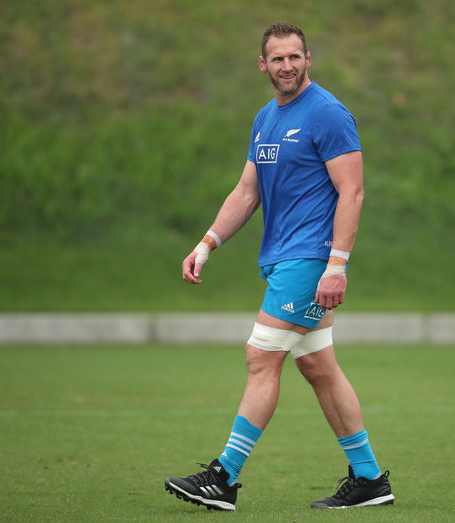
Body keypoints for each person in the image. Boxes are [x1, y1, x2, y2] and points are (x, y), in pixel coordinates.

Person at [164, 22, 394, 511]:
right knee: (317, 366)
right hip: (282, 258)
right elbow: (247, 192)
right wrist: (207, 243)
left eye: (296, 56)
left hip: (310, 261)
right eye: (278, 58)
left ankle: (223, 477)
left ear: (308, 59)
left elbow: (352, 192)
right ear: (262, 64)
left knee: (260, 357)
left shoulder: (328, 114)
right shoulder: (265, 118)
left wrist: (336, 265)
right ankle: (371, 480)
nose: (287, 65)